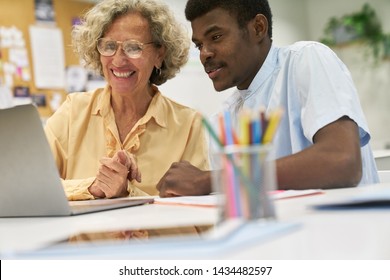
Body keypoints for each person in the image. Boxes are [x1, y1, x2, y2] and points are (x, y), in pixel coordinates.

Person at [157, 0, 379, 197]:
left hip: (349, 236)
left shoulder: (305, 59)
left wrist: (208, 180)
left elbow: (341, 161)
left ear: (258, 28)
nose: (205, 53)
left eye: (215, 37)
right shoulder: (225, 117)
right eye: (199, 45)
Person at [44, 0, 209, 200]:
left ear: (159, 54)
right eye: (109, 46)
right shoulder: (73, 112)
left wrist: (127, 193)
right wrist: (93, 187)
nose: (119, 60)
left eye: (133, 48)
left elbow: (195, 215)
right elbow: (31, 186)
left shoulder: (189, 125)